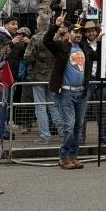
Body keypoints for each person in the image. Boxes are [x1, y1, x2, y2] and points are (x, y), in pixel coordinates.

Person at [43, 13, 101, 170]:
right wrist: (55, 25)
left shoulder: (84, 48)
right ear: (69, 33)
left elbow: (98, 56)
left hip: (82, 92)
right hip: (66, 93)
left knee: (78, 125)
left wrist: (100, 41)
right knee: (69, 124)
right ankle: (64, 156)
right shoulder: (61, 47)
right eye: (75, 32)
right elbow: (46, 41)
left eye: (80, 33)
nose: (78, 35)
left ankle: (73, 156)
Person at [23, 14, 64, 143]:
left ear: (39, 24)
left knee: (40, 107)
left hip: (38, 76)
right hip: (53, 76)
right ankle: (63, 134)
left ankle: (45, 136)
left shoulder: (35, 38)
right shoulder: (57, 37)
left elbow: (27, 57)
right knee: (53, 106)